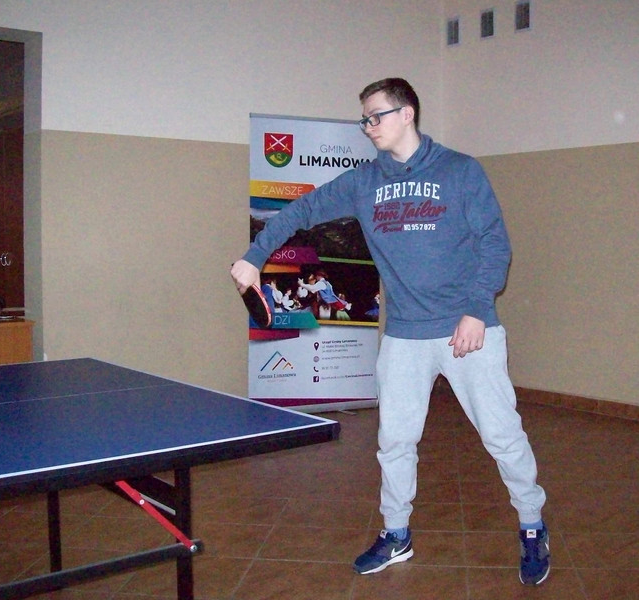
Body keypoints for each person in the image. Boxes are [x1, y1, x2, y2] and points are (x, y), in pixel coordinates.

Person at [230, 78, 549, 585]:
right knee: (395, 442)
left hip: (468, 329)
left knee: (502, 436)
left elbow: (495, 244)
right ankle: (396, 533)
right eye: (364, 119)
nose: (367, 126)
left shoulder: (460, 171)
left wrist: (475, 309)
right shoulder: (365, 181)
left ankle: (532, 525)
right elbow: (302, 209)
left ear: (407, 114)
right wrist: (254, 256)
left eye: (375, 116)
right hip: (404, 335)